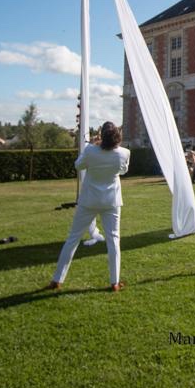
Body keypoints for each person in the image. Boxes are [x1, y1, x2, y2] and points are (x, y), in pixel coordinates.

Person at [49, 121, 129, 292]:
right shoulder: (124, 153)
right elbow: (123, 171)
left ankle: (57, 279)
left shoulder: (91, 150)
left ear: (102, 136)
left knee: (73, 239)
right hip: (111, 201)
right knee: (114, 240)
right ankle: (114, 282)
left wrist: (93, 146)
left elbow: (78, 165)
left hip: (89, 200)